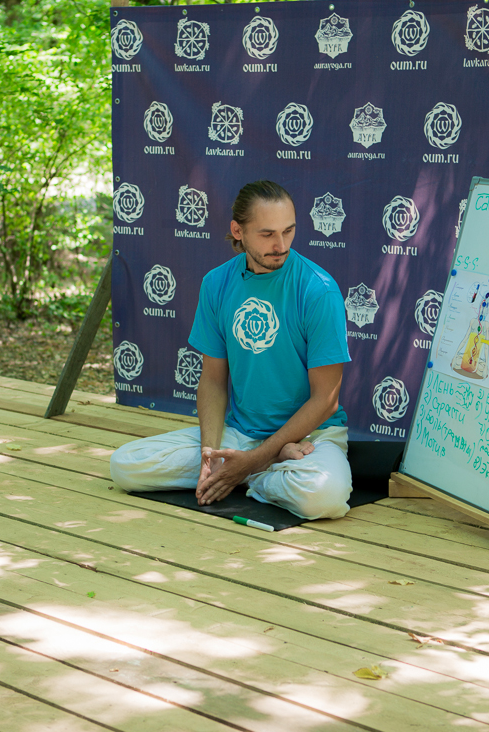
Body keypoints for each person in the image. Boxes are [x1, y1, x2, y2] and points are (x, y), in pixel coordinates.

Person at [110, 180, 353, 519]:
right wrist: (210, 456)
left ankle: (253, 471)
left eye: (288, 231)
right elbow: (212, 381)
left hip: (310, 438)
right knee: (125, 464)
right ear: (238, 231)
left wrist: (255, 460)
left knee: (324, 496)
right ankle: (252, 472)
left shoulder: (319, 290)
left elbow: (326, 400)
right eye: (267, 234)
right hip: (239, 434)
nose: (281, 245)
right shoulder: (216, 283)